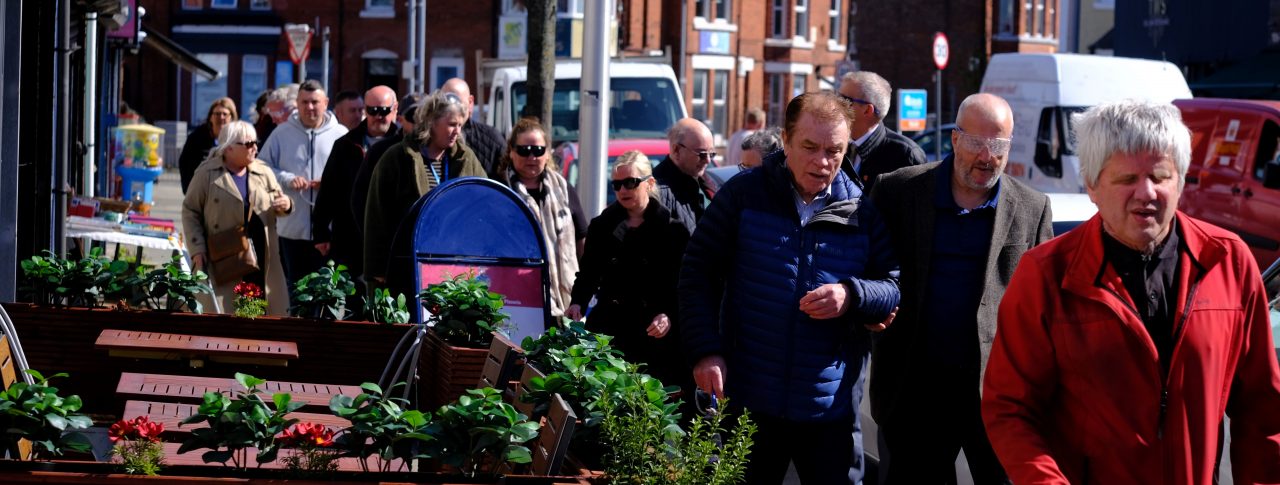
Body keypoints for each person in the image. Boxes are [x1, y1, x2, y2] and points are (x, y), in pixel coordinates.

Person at [982, 100, 1280, 484]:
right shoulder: (1045, 275)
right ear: (1091, 185)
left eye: (1160, 176)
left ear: (1182, 180)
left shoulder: (1229, 262)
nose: (1147, 192)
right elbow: (1010, 409)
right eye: (1126, 180)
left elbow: (1262, 411)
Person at [679, 92, 900, 484]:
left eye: (834, 150)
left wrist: (852, 295)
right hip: (749, 402)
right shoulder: (744, 195)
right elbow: (697, 271)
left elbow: (893, 285)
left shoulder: (861, 211)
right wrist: (705, 351)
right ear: (785, 140)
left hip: (827, 408)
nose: (823, 162)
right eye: (810, 147)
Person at [866, 93, 1052, 484]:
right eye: (976, 143)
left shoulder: (1032, 208)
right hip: (914, 393)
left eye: (998, 145)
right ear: (954, 138)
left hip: (997, 395)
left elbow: (1045, 306)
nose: (986, 157)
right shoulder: (897, 192)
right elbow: (867, 266)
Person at [567, 150, 691, 387]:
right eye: (617, 184)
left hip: (654, 333)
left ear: (649, 183)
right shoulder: (602, 226)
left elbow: (684, 285)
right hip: (611, 329)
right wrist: (577, 302)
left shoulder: (673, 231)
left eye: (631, 183)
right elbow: (588, 273)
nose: (623, 190)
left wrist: (669, 315)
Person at [363, 91, 486, 295]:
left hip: (454, 268)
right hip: (406, 266)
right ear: (431, 122)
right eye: (451, 124)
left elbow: (482, 204)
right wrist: (377, 269)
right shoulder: (397, 158)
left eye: (460, 125)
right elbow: (377, 216)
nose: (457, 131)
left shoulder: (466, 159)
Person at [182, 120, 292, 313]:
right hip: (223, 255)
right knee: (227, 309)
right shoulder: (207, 173)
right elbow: (190, 210)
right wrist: (197, 249)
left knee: (259, 308)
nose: (255, 148)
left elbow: (278, 201)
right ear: (229, 147)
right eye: (248, 144)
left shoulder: (263, 172)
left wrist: (287, 204)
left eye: (255, 142)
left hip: (260, 255)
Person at [312, 85, 399, 303]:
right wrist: (321, 231)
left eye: (384, 110)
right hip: (349, 234)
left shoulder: (403, 145)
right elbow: (328, 189)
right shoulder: (346, 144)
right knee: (350, 298)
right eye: (372, 110)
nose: (378, 116)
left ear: (395, 109)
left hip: (387, 236)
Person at [259, 80, 349, 292]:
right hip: (292, 229)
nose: (310, 107)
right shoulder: (281, 133)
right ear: (297, 104)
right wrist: (287, 178)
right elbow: (261, 167)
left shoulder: (341, 134)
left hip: (329, 231)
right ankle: (297, 325)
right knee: (296, 288)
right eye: (305, 102)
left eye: (315, 102)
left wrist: (329, 184)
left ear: (325, 103)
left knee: (329, 289)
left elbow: (353, 176)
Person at [496, 118, 581, 317]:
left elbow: (582, 237)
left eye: (538, 150)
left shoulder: (563, 188)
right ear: (511, 151)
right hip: (517, 296)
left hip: (565, 297)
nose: (532, 157)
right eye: (524, 150)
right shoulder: (501, 190)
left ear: (547, 153)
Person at [838, 71, 926, 191]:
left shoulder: (905, 155)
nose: (836, 104)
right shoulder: (835, 145)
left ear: (867, 110)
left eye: (844, 100)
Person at [351, 93, 420, 238]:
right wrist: (373, 236)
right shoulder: (381, 151)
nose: (420, 123)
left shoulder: (439, 150)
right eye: (413, 117)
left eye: (425, 116)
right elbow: (360, 197)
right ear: (400, 119)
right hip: (391, 241)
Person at [656, 118, 718, 234]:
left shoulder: (708, 183)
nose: (708, 160)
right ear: (676, 150)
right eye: (702, 154)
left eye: (712, 154)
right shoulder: (657, 192)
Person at [440, 78, 506, 177]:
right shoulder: (433, 140)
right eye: (446, 104)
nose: (452, 109)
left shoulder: (492, 139)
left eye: (457, 102)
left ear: (470, 102)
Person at [179, 97, 237, 193]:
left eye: (225, 114)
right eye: (217, 114)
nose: (221, 117)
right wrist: (189, 189)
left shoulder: (236, 137)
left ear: (231, 117)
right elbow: (185, 162)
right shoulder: (197, 137)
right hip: (201, 189)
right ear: (210, 117)